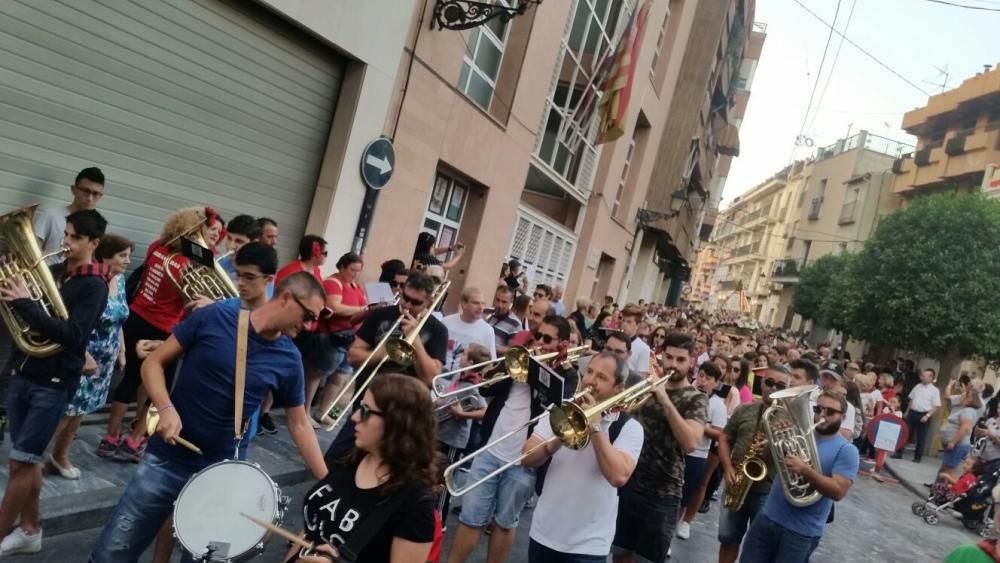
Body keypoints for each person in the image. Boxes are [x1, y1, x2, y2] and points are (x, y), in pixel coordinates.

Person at [89, 273, 330, 562]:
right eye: (308, 316)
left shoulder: (290, 359)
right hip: (166, 461)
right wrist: (166, 408)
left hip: (221, 475)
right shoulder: (216, 316)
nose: (308, 326)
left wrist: (328, 483)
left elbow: (300, 422)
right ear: (287, 297)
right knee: (112, 552)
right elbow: (153, 363)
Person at [0, 209, 110, 555]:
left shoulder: (94, 285)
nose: (66, 241)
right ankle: (31, 530)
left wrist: (26, 304)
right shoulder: (55, 272)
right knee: (25, 460)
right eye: (66, 234)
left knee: (21, 462)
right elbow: (29, 317)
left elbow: (74, 334)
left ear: (94, 243)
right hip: (24, 372)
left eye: (75, 237)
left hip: (52, 382)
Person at [447, 315, 578, 563]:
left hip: (523, 461)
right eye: (537, 336)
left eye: (547, 339)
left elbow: (559, 412)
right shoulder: (520, 359)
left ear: (562, 343)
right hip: (491, 448)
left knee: (504, 523)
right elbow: (486, 387)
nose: (539, 342)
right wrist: (509, 366)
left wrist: (541, 372)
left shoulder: (569, 375)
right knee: (470, 517)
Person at [101, 206, 224, 462]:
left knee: (130, 380)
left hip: (135, 318)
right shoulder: (189, 262)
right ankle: (134, 441)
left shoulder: (157, 247)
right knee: (162, 389)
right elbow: (192, 300)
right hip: (162, 328)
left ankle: (111, 437)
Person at [288, 374, 436, 563]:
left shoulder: (415, 503)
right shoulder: (349, 458)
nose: (355, 417)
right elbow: (315, 528)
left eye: (366, 411)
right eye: (358, 408)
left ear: (396, 423)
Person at [521, 351, 644, 562]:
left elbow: (618, 477)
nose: (591, 381)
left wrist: (595, 427)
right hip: (544, 532)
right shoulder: (559, 409)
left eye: (602, 377)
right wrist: (563, 432)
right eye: (589, 372)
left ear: (618, 388)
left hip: (588, 545)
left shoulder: (630, 428)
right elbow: (527, 458)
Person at [324, 272, 448, 464]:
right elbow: (353, 355)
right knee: (336, 459)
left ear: (430, 302)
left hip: (403, 414)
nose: (407, 305)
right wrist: (380, 354)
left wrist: (415, 340)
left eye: (415, 302)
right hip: (368, 402)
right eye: (405, 298)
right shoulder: (380, 315)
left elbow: (431, 377)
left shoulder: (438, 330)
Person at [611, 332, 707, 563]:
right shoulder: (644, 385)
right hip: (629, 485)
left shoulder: (695, 398)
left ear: (691, 362)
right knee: (619, 555)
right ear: (661, 356)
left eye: (681, 360)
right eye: (669, 357)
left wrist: (664, 399)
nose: (673, 364)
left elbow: (691, 443)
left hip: (662, 495)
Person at [738, 390, 860, 563]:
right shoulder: (798, 434)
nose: (822, 415)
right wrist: (773, 442)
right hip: (767, 516)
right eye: (818, 409)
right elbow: (767, 460)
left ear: (844, 416)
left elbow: (838, 491)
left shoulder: (847, 451)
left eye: (830, 412)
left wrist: (805, 470)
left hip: (801, 532)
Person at [48, 234, 132, 480]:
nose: (127, 261)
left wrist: (122, 349)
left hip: (105, 358)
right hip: (84, 355)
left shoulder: (120, 280)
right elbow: (73, 322)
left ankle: (60, 455)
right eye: (122, 255)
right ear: (104, 256)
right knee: (66, 411)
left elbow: (120, 319)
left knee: (81, 411)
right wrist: (83, 354)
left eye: (128, 255)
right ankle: (32, 459)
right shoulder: (91, 282)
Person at [716, 364, 792, 563]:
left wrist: (776, 448)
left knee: (758, 547)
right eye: (770, 382)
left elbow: (795, 459)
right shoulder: (744, 409)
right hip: (736, 483)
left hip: (768, 490)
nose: (774, 388)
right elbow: (724, 437)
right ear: (762, 383)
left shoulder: (791, 421)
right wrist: (727, 467)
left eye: (781, 385)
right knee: (728, 539)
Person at [306, 252, 369, 427]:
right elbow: (335, 307)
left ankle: (323, 411)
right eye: (352, 270)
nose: (355, 274)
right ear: (342, 267)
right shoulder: (334, 282)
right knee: (316, 374)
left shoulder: (355, 286)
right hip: (332, 337)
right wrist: (361, 309)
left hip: (349, 338)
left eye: (358, 271)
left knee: (339, 378)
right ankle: (305, 412)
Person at [677, 361, 729, 541]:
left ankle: (683, 523)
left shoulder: (717, 405)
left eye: (708, 378)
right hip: (679, 448)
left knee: (689, 491)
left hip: (698, 453)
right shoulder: (687, 393)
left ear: (716, 383)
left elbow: (719, 433)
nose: (703, 381)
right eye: (701, 376)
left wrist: (698, 425)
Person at [32, 166, 105, 265]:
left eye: (96, 193)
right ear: (73, 189)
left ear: (101, 195)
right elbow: (32, 251)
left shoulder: (98, 225)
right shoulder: (52, 215)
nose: (90, 198)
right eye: (86, 191)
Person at [440, 287, 497, 372]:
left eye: (483, 303)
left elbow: (490, 364)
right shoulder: (446, 322)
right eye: (476, 303)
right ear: (464, 304)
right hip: (439, 376)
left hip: (465, 382)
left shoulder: (488, 330)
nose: (481, 307)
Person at [899, 368, 942, 462]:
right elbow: (911, 399)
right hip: (912, 412)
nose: (922, 377)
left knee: (921, 437)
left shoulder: (934, 390)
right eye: (922, 375)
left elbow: (936, 405)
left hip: (923, 414)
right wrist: (907, 411)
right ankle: (899, 453)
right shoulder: (918, 386)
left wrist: (928, 415)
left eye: (924, 376)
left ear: (931, 377)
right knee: (905, 432)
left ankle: (917, 457)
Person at [940, 387, 981, 477]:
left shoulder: (968, 411)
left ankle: (944, 489)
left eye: (962, 397)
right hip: (957, 444)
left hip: (958, 445)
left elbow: (965, 428)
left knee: (948, 471)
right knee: (947, 468)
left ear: (969, 399)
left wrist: (953, 442)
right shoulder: (966, 410)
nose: (960, 399)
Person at [216, 214, 261, 279]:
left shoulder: (262, 273)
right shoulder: (219, 263)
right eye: (229, 238)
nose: (231, 246)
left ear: (254, 244)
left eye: (239, 241)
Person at [486, 285, 520, 354]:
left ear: (511, 302)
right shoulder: (485, 312)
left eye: (504, 302)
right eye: (497, 300)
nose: (499, 305)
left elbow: (513, 350)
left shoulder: (515, 324)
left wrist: (491, 348)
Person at [619, 305, 651, 378]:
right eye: (623, 320)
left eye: (629, 322)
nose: (624, 324)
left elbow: (641, 378)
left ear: (637, 325)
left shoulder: (644, 348)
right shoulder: (614, 341)